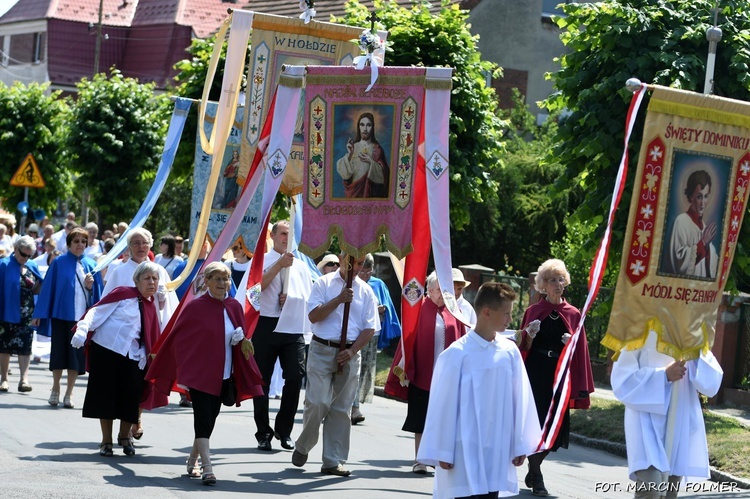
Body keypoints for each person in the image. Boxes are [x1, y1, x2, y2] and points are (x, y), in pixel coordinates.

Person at [418, 282, 542, 499]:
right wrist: (443, 449)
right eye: (506, 313)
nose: (510, 320)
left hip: (497, 445)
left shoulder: (509, 351)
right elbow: (443, 406)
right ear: (487, 312)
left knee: (490, 494)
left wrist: (520, 442)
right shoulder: (456, 354)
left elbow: (520, 398)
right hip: (464, 447)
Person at [145, 262, 263, 485]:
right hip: (199, 375)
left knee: (210, 420)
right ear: (206, 281)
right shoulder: (195, 307)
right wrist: (186, 370)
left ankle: (192, 458)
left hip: (224, 375)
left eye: (225, 279)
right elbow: (179, 340)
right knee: (202, 418)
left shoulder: (234, 307)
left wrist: (240, 339)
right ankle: (208, 468)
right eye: (217, 278)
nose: (222, 283)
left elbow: (240, 338)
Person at [291, 253, 379, 476]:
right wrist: (339, 299)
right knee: (318, 401)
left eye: (360, 264)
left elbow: (369, 328)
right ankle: (304, 444)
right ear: (342, 258)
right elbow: (313, 316)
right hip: (322, 349)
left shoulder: (367, 291)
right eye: (353, 262)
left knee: (341, 409)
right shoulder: (323, 283)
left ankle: (332, 460)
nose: (356, 268)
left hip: (349, 353)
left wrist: (351, 351)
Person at [610, 331, 723, 498]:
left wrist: (696, 351)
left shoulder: (691, 330)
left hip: (679, 418)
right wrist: (663, 375)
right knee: (651, 489)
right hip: (645, 419)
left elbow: (711, 383)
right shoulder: (639, 327)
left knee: (670, 492)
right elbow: (622, 381)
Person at [71, 261, 164, 457]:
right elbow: (97, 311)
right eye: (147, 278)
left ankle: (124, 437)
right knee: (105, 396)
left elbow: (151, 335)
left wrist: (145, 354)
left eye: (155, 279)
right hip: (106, 351)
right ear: (136, 280)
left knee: (131, 397)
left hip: (133, 357)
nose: (151, 282)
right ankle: (106, 441)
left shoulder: (150, 305)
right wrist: (83, 328)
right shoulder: (123, 293)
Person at [519, 258, 594, 496]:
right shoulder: (533, 311)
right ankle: (537, 477)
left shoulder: (573, 313)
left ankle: (533, 467)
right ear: (543, 284)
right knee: (537, 424)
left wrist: (570, 344)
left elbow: (580, 351)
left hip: (560, 375)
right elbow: (522, 346)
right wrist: (528, 335)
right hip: (536, 372)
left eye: (561, 279)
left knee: (556, 427)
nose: (558, 284)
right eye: (552, 280)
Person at [252, 220, 313, 451]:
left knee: (296, 377)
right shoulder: (262, 261)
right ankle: (263, 432)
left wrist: (292, 301)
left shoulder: (301, 266)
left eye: (290, 234)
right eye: (283, 233)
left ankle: (284, 429)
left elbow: (309, 298)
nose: (286, 238)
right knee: (262, 382)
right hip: (266, 325)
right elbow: (256, 290)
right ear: (273, 236)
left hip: (292, 327)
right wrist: (278, 265)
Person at [400, 271, 466, 474]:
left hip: (447, 375)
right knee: (421, 417)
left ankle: (439, 457)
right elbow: (408, 339)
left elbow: (463, 338)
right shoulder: (418, 309)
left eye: (443, 289)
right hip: (423, 372)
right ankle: (420, 459)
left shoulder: (454, 311)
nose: (442, 293)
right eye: (438, 289)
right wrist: (406, 367)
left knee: (443, 417)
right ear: (428, 289)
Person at [33, 227, 103, 408]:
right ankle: (55, 388)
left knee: (76, 357)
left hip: (81, 320)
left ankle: (69, 393)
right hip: (61, 316)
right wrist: (39, 313)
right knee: (58, 354)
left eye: (83, 242)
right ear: (69, 243)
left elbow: (98, 295)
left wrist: (90, 287)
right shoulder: (59, 262)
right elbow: (48, 288)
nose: (80, 245)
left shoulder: (91, 264)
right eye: (76, 241)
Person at [351, 253, 401, 425]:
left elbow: (387, 307)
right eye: (362, 271)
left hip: (371, 335)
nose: (365, 275)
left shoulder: (378, 284)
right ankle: (352, 406)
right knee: (352, 370)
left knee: (364, 370)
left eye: (368, 271)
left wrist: (381, 309)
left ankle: (355, 405)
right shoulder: (351, 283)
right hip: (353, 334)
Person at [0, 236, 43, 393]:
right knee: (5, 346)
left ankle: (24, 379)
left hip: (27, 313)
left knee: (25, 346)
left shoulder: (31, 265)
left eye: (29, 255)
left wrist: (39, 310)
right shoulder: (3, 264)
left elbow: (38, 289)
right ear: (15, 249)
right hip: (6, 311)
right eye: (23, 254)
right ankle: (4, 379)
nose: (25, 258)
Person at [666, 169, 718, 279]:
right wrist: (703, 242)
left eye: (706, 196)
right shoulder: (681, 222)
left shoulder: (703, 226)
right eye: (699, 196)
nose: (703, 203)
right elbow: (678, 262)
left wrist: (709, 249)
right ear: (691, 196)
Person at [335, 112, 390, 198]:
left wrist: (371, 162)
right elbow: (346, 176)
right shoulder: (353, 147)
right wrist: (349, 154)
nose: (365, 129)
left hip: (370, 196)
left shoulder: (377, 149)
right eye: (362, 125)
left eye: (368, 125)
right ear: (358, 127)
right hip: (353, 194)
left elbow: (385, 175)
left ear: (372, 128)